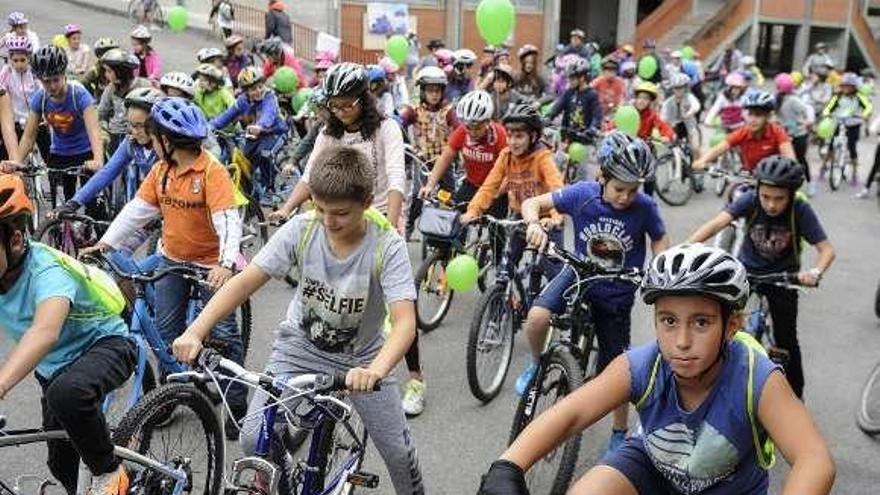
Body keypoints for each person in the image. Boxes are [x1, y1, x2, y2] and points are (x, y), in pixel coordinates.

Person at [478, 242, 836, 495]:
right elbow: (571, 414)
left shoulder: (756, 378)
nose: (680, 341)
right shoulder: (644, 365)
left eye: (700, 323)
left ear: (731, 326)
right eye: (668, 320)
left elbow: (814, 459)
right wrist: (508, 465)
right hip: (649, 469)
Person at [172, 145, 425, 495]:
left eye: (340, 213)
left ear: (367, 203)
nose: (328, 221)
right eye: (319, 209)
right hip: (298, 349)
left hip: (363, 359)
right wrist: (196, 330)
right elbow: (245, 282)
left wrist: (376, 371)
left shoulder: (387, 246)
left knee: (398, 453)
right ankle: (287, 477)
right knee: (253, 438)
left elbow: (404, 323)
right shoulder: (303, 229)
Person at [85, 96, 248, 435]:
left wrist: (225, 263)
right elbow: (136, 211)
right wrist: (105, 244)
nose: (150, 142)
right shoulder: (161, 172)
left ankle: (236, 403)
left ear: (168, 141)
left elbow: (228, 221)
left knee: (224, 334)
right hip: (171, 258)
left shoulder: (211, 171)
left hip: (209, 264)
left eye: (154, 136)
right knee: (166, 333)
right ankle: (170, 394)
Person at [515, 132, 669, 453]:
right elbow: (533, 203)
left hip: (617, 290)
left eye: (633, 190)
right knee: (537, 317)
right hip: (579, 274)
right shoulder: (583, 194)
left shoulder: (644, 207)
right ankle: (537, 362)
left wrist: (661, 265)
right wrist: (532, 222)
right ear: (602, 177)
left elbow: (659, 238)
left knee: (618, 369)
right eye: (619, 189)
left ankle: (619, 430)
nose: (626, 197)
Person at [0, 174, 135, 494]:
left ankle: (111, 472)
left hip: (106, 345)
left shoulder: (48, 270)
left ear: (16, 239)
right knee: (61, 464)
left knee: (67, 394)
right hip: (55, 368)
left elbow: (45, 332)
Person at [688, 156, 835, 399]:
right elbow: (717, 224)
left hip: (783, 277)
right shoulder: (750, 200)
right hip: (747, 272)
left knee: (786, 341)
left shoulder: (800, 210)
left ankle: (796, 398)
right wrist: (686, 247)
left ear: (791, 194)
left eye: (779, 198)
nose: (771, 204)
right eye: (765, 196)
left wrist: (815, 272)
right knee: (725, 330)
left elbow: (827, 250)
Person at [271, 63, 406, 231]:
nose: (341, 112)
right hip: (342, 220)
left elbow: (396, 178)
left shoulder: (387, 128)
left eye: (347, 105)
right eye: (334, 106)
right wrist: (286, 209)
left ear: (364, 100)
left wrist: (390, 227)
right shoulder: (328, 134)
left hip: (381, 215)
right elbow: (310, 176)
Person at [459, 103, 564, 280]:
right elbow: (489, 186)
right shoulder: (506, 156)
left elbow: (557, 190)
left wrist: (555, 218)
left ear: (533, 136)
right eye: (509, 136)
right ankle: (507, 299)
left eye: (519, 136)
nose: (512, 142)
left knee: (555, 275)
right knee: (506, 269)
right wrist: (473, 211)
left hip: (545, 219)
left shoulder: (542, 157)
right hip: (519, 217)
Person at [10, 46, 104, 210]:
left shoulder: (79, 95)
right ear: (39, 79)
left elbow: (94, 131)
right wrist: (16, 162)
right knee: (60, 210)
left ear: (64, 75)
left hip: (85, 153)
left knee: (93, 208)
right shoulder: (40, 98)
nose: (52, 86)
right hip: (59, 155)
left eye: (56, 79)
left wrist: (98, 159)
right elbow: (29, 136)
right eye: (46, 81)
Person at [59, 87, 163, 218]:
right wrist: (74, 202)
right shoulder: (131, 142)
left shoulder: (166, 148)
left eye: (139, 126)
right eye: (131, 125)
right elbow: (107, 172)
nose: (134, 132)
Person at [398, 66, 458, 242]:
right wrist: (393, 122)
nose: (434, 94)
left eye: (438, 90)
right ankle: (409, 225)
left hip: (444, 161)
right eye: (430, 90)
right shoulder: (414, 110)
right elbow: (399, 120)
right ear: (422, 91)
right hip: (421, 160)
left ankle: (447, 231)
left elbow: (459, 127)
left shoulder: (448, 110)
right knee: (418, 194)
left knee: (449, 196)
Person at [210, 66, 287, 202]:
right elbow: (227, 115)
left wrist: (260, 126)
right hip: (254, 135)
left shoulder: (270, 97)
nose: (258, 91)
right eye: (252, 89)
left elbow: (268, 114)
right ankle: (252, 194)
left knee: (265, 154)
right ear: (246, 91)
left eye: (260, 86)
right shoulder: (242, 101)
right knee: (244, 162)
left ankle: (270, 190)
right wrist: (209, 127)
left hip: (275, 132)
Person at [695, 90, 795, 174]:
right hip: (750, 178)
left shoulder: (777, 132)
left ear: (768, 117)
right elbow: (720, 148)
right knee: (738, 196)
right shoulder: (743, 132)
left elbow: (789, 157)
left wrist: (791, 168)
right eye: (750, 114)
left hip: (774, 179)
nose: (752, 120)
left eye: (758, 115)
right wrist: (702, 160)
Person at [0, 36, 47, 162]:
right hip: (16, 120)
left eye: (22, 60)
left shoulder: (34, 72)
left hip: (37, 119)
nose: (19, 64)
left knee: (50, 155)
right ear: (10, 59)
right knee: (6, 156)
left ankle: (55, 179)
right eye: (15, 60)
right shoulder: (7, 72)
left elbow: (43, 91)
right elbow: (1, 90)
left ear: (29, 58)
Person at [97, 48, 151, 156]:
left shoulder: (143, 85)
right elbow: (101, 112)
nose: (106, 75)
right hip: (115, 136)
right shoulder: (111, 88)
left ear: (120, 71)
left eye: (109, 71)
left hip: (137, 136)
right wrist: (104, 130)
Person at [822, 72, 872, 185]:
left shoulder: (859, 97)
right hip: (839, 123)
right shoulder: (837, 96)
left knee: (852, 147)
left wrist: (865, 114)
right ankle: (823, 167)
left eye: (848, 86)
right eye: (843, 85)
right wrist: (826, 113)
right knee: (831, 146)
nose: (845, 88)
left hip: (854, 124)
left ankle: (854, 173)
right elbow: (828, 107)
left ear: (854, 87)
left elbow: (868, 107)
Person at [775, 73, 816, 196]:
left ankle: (810, 183)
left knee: (800, 160)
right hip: (783, 135)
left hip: (798, 135)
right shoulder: (777, 99)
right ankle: (783, 184)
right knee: (782, 159)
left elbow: (808, 109)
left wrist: (809, 120)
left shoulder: (793, 100)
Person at [661, 73, 702, 161]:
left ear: (686, 88)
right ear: (673, 89)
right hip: (675, 128)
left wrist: (689, 113)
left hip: (690, 126)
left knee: (695, 148)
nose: (678, 90)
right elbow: (663, 117)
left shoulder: (689, 97)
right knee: (668, 148)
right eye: (676, 88)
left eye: (681, 87)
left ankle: (697, 167)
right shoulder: (668, 102)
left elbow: (696, 105)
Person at [194, 63, 236, 129]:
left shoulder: (222, 92)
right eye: (200, 80)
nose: (200, 83)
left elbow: (234, 106)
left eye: (203, 80)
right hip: (208, 129)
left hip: (226, 129)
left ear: (213, 82)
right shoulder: (199, 93)